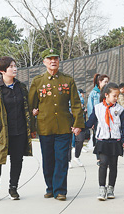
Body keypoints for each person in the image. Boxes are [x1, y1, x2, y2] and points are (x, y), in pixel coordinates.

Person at [28, 48, 84, 201]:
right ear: (44, 62)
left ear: (59, 61)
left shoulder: (67, 80)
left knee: (61, 159)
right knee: (48, 160)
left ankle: (60, 190)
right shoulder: (38, 81)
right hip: (45, 127)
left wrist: (78, 123)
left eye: (56, 58)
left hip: (63, 127)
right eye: (49, 59)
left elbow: (76, 104)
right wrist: (32, 128)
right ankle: (50, 188)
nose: (53, 61)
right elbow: (31, 106)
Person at [0, 56, 33, 201]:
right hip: (1, 132)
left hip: (19, 131)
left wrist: (32, 119)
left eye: (15, 66)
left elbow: (26, 108)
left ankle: (13, 188)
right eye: (11, 66)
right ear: (2, 70)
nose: (14, 68)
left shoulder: (21, 87)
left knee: (17, 160)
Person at [85, 83, 124, 201]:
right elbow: (90, 122)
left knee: (113, 165)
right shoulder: (98, 108)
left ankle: (111, 188)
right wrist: (79, 127)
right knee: (103, 163)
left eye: (117, 96)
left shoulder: (120, 109)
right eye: (114, 96)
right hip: (102, 141)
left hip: (115, 141)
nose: (116, 98)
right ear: (106, 95)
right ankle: (101, 188)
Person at [87, 73, 109, 165]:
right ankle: (99, 158)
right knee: (97, 137)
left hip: (106, 118)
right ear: (99, 82)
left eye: (108, 81)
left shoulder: (107, 92)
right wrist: (91, 121)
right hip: (96, 119)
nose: (107, 83)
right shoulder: (94, 93)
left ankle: (106, 156)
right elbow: (90, 107)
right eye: (105, 81)